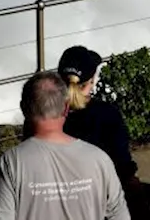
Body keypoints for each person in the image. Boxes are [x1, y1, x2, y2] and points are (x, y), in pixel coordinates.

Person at [0, 71, 130, 220]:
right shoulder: (99, 159)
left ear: (23, 108)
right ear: (66, 108)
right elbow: (119, 215)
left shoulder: (11, 163)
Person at [58, 46, 138, 193]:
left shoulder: (45, 115)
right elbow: (122, 164)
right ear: (92, 80)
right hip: (100, 196)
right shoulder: (107, 114)